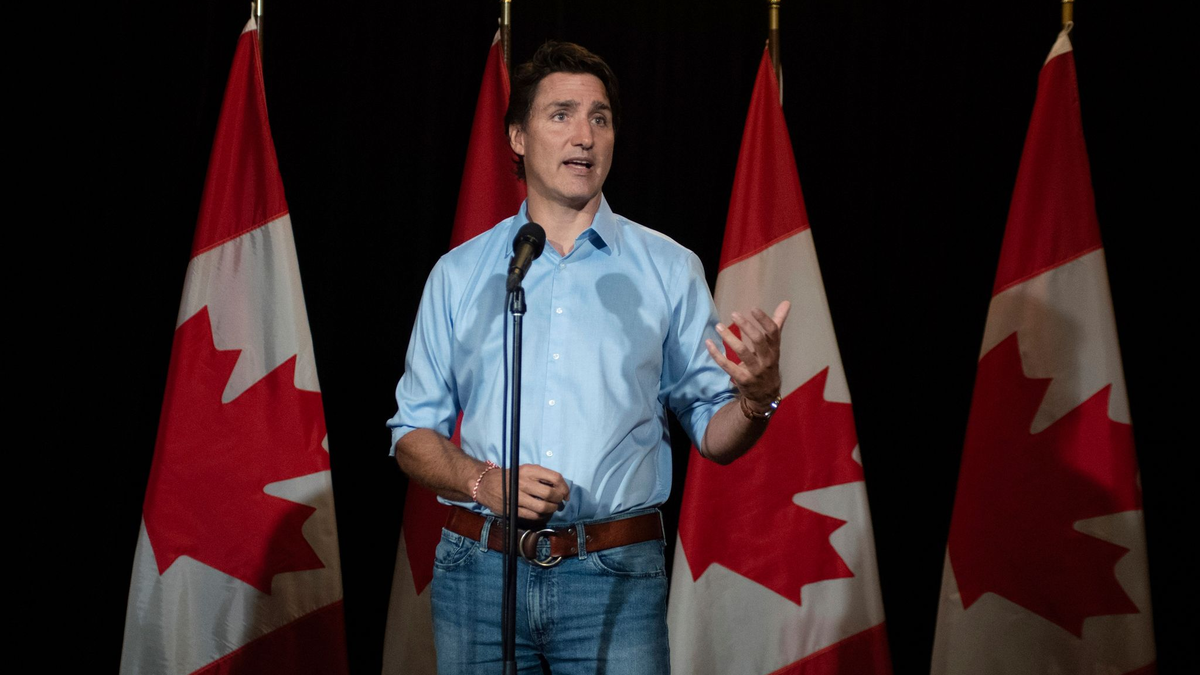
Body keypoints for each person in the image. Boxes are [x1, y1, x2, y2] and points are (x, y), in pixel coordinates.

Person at [388, 41, 790, 674]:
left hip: (614, 574)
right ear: (517, 137)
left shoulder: (668, 268)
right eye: (562, 114)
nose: (585, 136)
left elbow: (715, 434)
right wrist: (483, 483)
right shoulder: (461, 273)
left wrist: (755, 395)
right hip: (480, 572)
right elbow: (411, 433)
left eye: (600, 118)